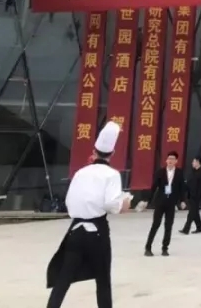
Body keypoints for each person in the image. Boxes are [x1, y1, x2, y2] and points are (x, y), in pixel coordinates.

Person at [46, 121, 131, 308]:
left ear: (94, 152)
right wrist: (123, 204)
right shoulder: (112, 174)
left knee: (63, 279)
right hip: (97, 233)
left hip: (75, 231)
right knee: (103, 281)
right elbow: (111, 204)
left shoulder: (80, 173)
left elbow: (70, 202)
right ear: (112, 153)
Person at [145, 151, 186, 256]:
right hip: (160, 202)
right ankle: (148, 247)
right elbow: (154, 186)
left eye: (172, 159)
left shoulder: (179, 173)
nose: (170, 161)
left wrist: (182, 200)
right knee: (155, 224)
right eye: (169, 159)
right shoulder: (160, 172)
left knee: (168, 226)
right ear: (166, 160)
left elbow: (182, 188)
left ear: (176, 161)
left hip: (171, 203)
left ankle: (165, 248)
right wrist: (148, 200)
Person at [179, 156, 201, 235]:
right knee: (195, 212)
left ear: (198, 162)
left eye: (193, 161)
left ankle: (186, 229)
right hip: (191, 195)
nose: (192, 163)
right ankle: (199, 227)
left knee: (191, 213)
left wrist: (199, 195)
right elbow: (189, 183)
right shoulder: (193, 172)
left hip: (197, 196)